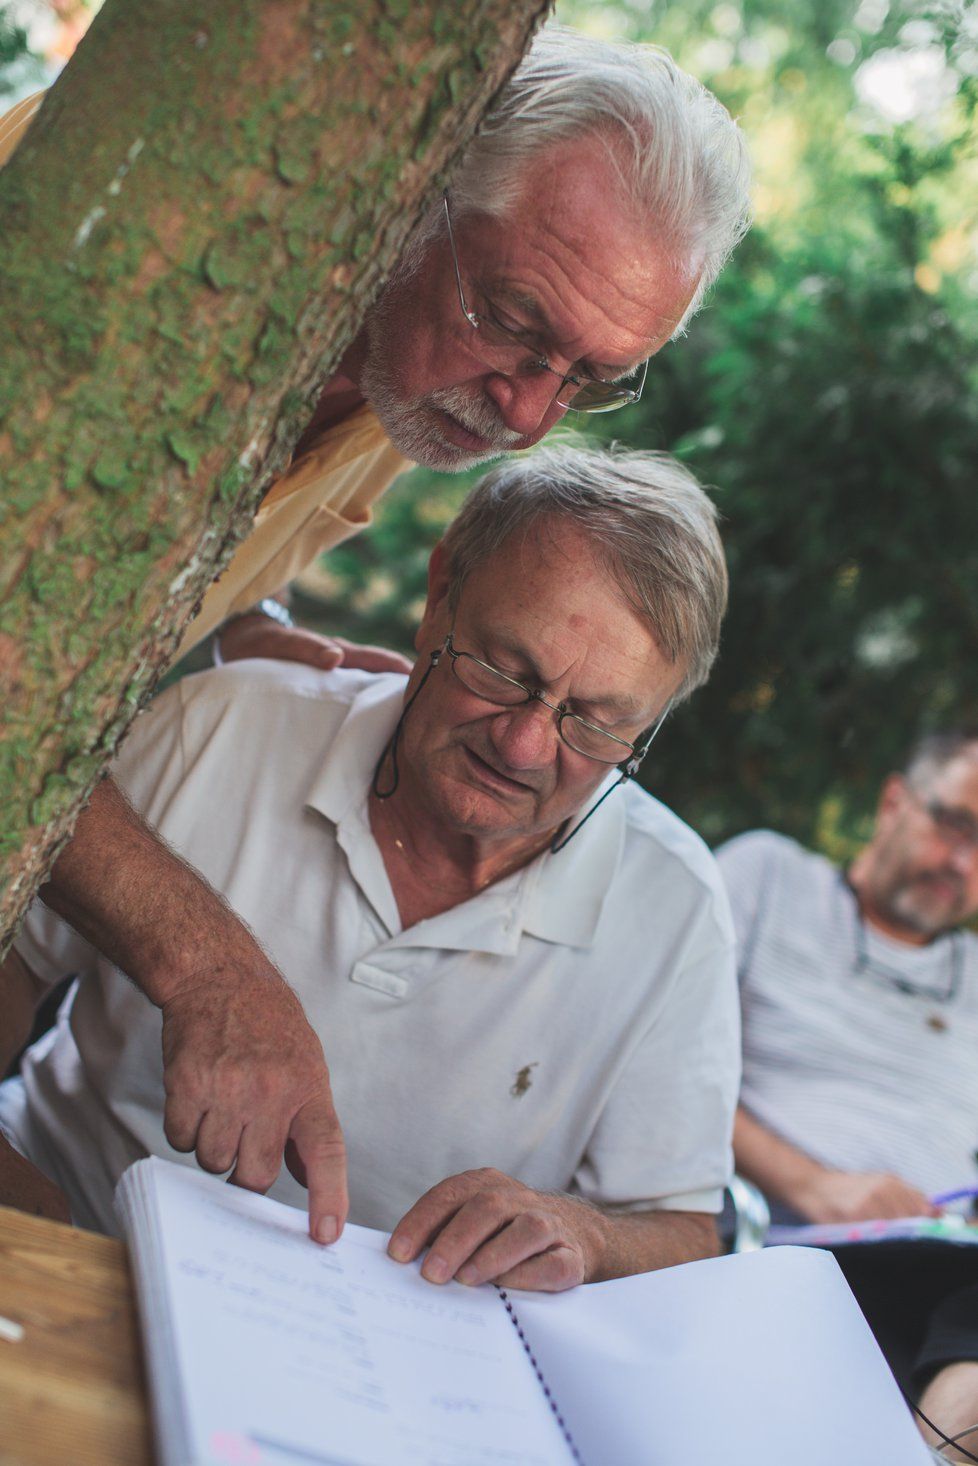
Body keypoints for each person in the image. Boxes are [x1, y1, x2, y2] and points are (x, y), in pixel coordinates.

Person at [2, 27, 752, 1239]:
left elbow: (101, 539)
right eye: (513, 318)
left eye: (592, 379)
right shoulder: (132, 241)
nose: (525, 416)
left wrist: (248, 622)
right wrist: (209, 961)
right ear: (419, 185)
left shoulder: (404, 398)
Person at [0, 445, 738, 1294]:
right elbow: (14, 957)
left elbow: (683, 1229)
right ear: (441, 596)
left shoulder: (675, 906)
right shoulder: (223, 724)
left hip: (387, 1356)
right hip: (78, 1246)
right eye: (505, 670)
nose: (526, 745)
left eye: (598, 725)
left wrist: (589, 1236)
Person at [718, 733, 978, 1460]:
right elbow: (657, 1063)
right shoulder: (770, 878)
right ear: (894, 801)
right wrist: (816, 1185)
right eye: (954, 824)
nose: (961, 863)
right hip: (796, 1249)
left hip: (947, 1277)